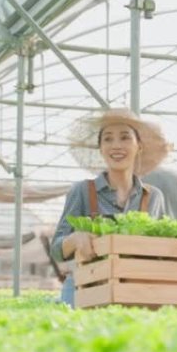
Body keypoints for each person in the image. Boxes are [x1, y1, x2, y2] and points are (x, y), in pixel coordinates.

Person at [51, 109, 169, 307]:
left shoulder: (153, 197)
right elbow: (56, 250)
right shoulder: (82, 191)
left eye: (125, 138)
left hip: (135, 289)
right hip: (86, 287)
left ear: (138, 146)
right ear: (100, 148)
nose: (116, 146)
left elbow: (163, 249)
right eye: (108, 139)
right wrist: (75, 238)